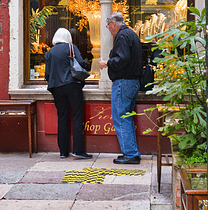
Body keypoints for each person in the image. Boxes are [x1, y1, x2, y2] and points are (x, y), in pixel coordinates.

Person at [98, 13, 143, 164]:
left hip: (123, 82)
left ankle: (130, 154)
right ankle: (131, 152)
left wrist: (108, 63)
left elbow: (122, 59)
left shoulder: (122, 36)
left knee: (122, 117)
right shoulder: (132, 34)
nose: (109, 29)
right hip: (133, 82)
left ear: (113, 23)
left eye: (108, 26)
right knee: (126, 117)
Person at [45, 28, 92, 159]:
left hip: (56, 88)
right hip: (72, 85)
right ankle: (78, 150)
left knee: (62, 118)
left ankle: (63, 151)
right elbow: (81, 64)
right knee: (77, 116)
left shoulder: (50, 52)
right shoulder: (71, 47)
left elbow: (47, 74)